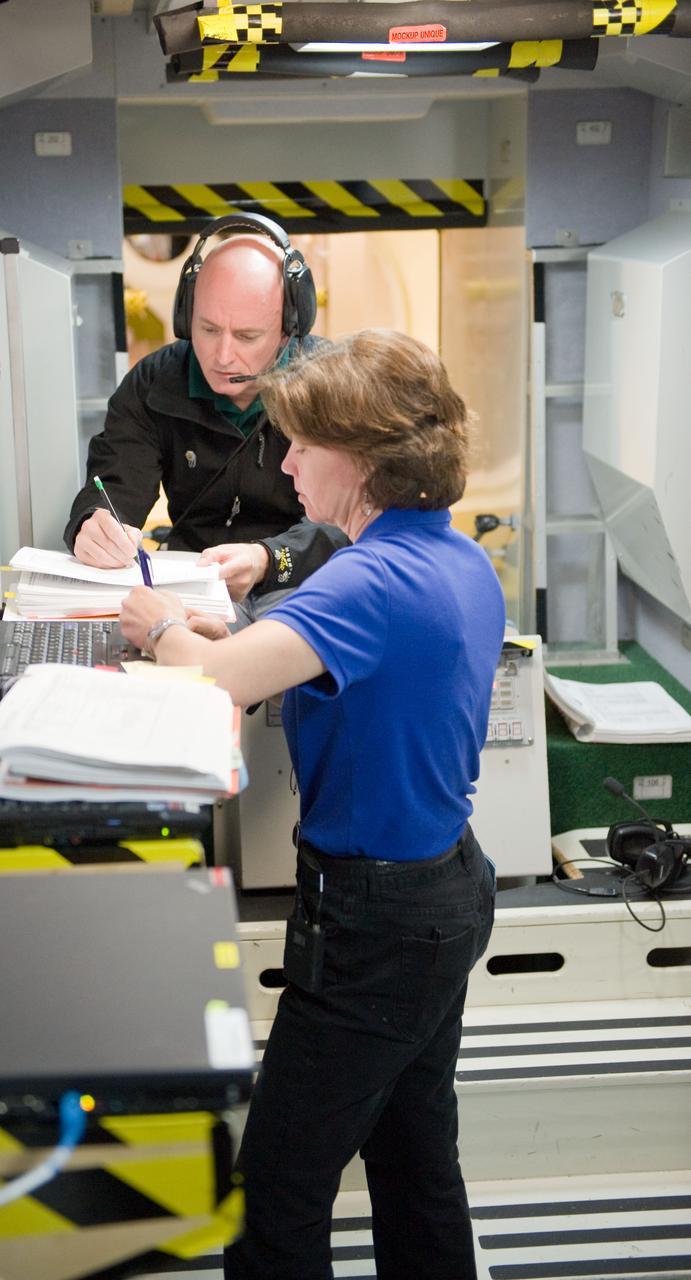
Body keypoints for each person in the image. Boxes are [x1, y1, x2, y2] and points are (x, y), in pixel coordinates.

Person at [119, 329, 506, 1280]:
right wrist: (239, 625)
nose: (285, 460)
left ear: (364, 460)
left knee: (275, 1192)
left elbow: (214, 680)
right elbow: (321, 638)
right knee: (415, 1161)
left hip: (375, 922)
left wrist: (160, 623)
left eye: (301, 444)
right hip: (443, 893)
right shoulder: (445, 555)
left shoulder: (370, 581)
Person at [64, 212, 347, 617]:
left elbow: (351, 522)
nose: (223, 355)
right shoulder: (154, 383)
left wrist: (267, 558)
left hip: (301, 584)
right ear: (185, 317)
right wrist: (93, 523)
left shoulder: (332, 386)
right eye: (208, 329)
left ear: (289, 328)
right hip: (191, 583)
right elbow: (115, 487)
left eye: (247, 336)